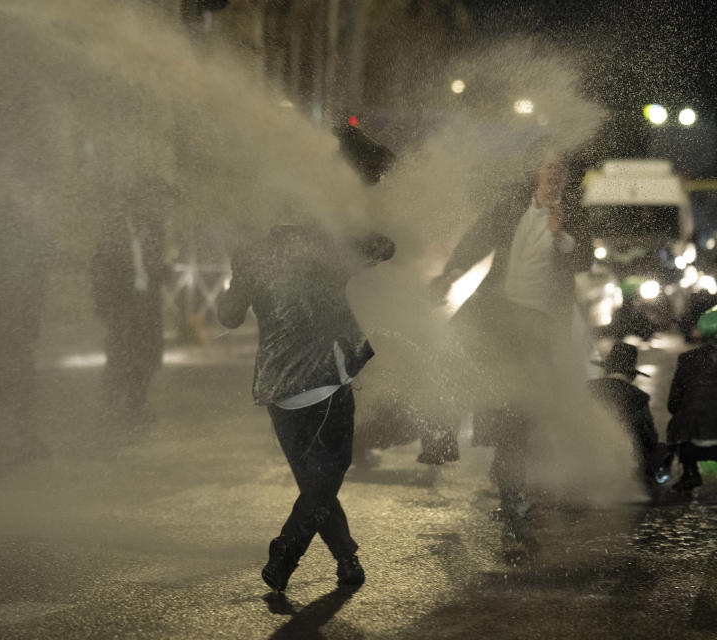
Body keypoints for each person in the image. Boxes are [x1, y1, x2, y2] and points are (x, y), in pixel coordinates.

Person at [217, 221, 395, 592]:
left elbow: (228, 317)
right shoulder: (328, 244)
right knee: (325, 479)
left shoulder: (251, 255)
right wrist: (342, 220)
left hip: (278, 388)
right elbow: (384, 247)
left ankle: (347, 559)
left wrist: (235, 284)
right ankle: (287, 548)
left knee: (316, 484)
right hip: (326, 379)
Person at [431, 154, 590, 547]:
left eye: (560, 170)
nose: (553, 174)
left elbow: (584, 259)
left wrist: (560, 237)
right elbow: (478, 238)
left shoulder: (575, 218)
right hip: (498, 316)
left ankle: (517, 510)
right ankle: (441, 433)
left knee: (518, 417)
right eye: (547, 167)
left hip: (539, 327)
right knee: (450, 357)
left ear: (567, 179)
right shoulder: (511, 209)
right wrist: (452, 272)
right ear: (537, 173)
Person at [0, 173, 54, 474]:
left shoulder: (7, 229)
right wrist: (23, 312)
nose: (37, 204)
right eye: (33, 197)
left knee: (1, 381)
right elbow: (18, 278)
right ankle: (6, 440)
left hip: (1, 318)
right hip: (4, 317)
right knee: (11, 379)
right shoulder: (11, 232)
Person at [90, 186, 168, 433]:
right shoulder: (113, 232)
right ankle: (112, 407)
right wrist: (105, 304)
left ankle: (137, 404)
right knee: (119, 355)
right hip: (122, 303)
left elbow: (157, 261)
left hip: (147, 302)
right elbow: (100, 268)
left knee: (146, 356)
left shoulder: (153, 229)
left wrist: (162, 272)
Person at [587, 341, 663, 493]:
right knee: (660, 450)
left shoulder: (588, 388)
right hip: (625, 461)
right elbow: (648, 436)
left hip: (588, 453)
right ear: (632, 375)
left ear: (606, 369)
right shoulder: (639, 396)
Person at [666, 306, 717, 493]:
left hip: (690, 438)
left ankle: (690, 472)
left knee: (680, 419)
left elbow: (673, 403)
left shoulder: (687, 358)